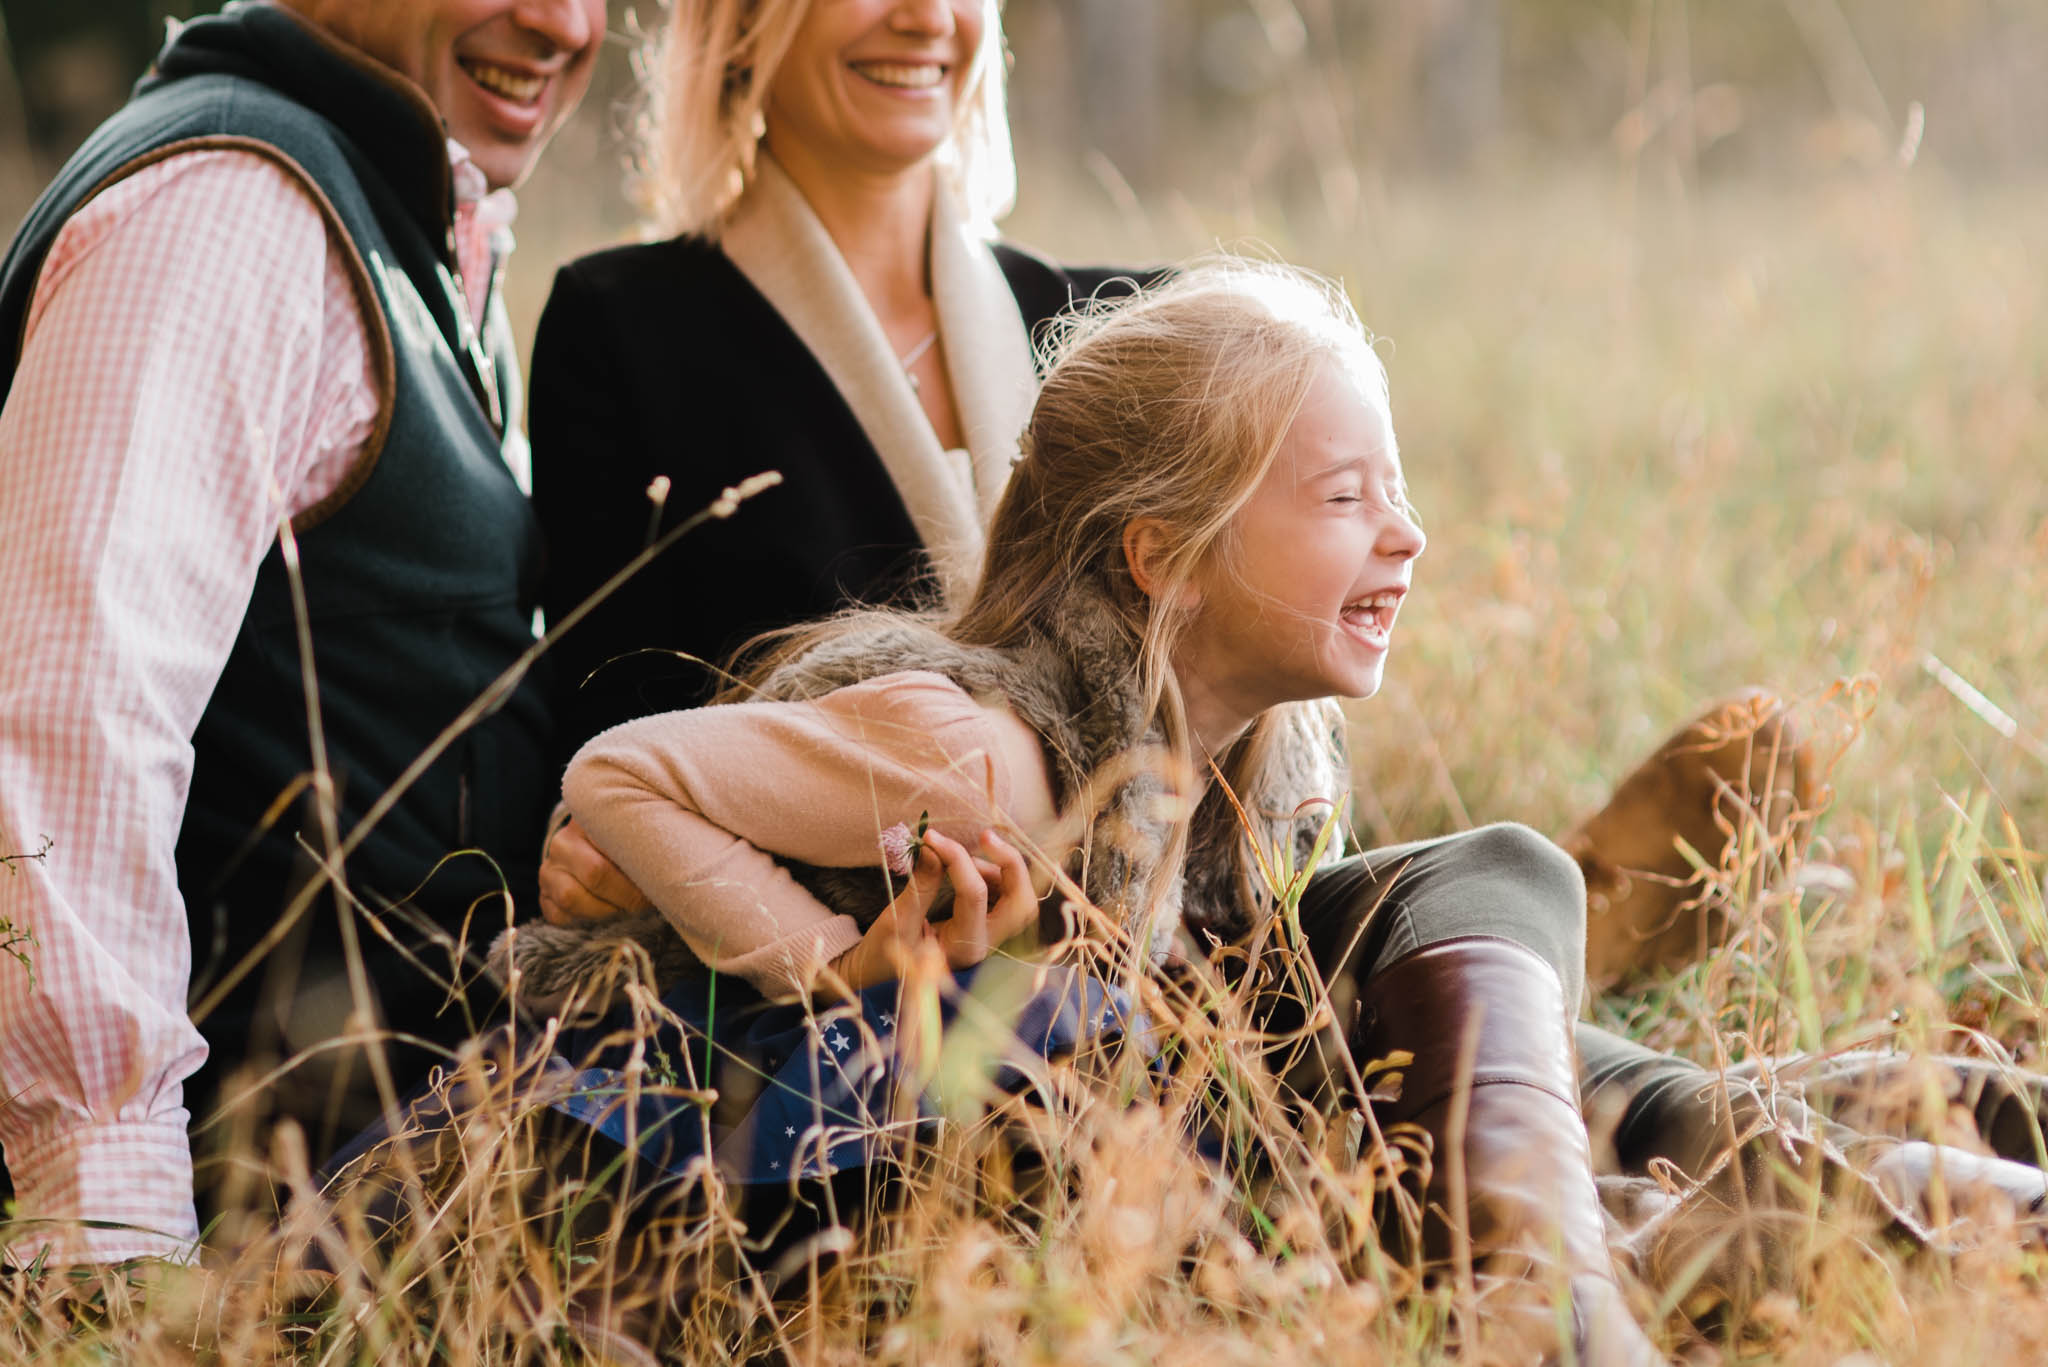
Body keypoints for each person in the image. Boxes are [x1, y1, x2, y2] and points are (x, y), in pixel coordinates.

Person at [480, 260, 1664, 1362]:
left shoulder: (1278, 763)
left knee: (1474, 882)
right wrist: (832, 959)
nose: (1405, 533)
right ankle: (1578, 1285)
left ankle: (1643, 1216)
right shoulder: (982, 753)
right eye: (1344, 497)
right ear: (1162, 558)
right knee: (1096, 1020)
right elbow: (618, 773)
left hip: (1015, 1127)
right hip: (701, 1145)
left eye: (1393, 493)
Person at [0, 0, 604, 1266]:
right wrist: (109, 1253)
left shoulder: (392, 213)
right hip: (240, 1249)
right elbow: (61, 728)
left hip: (386, 1228)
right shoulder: (230, 207)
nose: (562, 21)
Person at [526, 0, 1153, 782]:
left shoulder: (1131, 327)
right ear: (745, 24)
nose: (927, 18)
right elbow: (610, 744)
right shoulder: (618, 331)